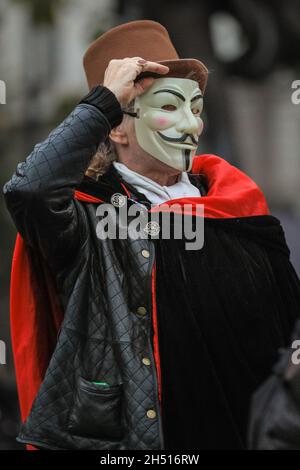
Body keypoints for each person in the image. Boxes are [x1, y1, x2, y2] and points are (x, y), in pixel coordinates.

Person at [3, 19, 300, 451]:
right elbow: (29, 190)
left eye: (195, 108)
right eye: (169, 106)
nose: (192, 126)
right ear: (116, 128)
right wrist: (102, 102)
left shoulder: (237, 206)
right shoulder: (85, 218)